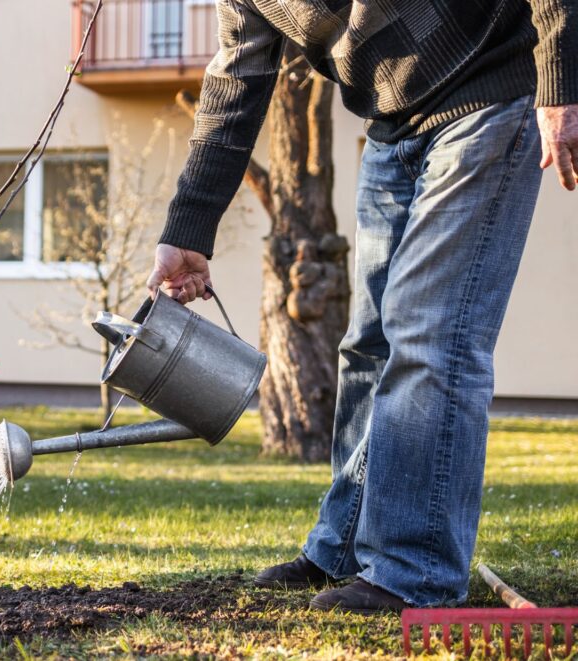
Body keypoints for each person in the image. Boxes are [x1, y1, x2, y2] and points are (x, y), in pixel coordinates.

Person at [146, 0, 577, 614]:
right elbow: (236, 78)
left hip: (489, 90)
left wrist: (561, 79)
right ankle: (344, 546)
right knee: (368, 347)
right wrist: (189, 227)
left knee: (431, 335)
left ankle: (416, 572)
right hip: (391, 125)